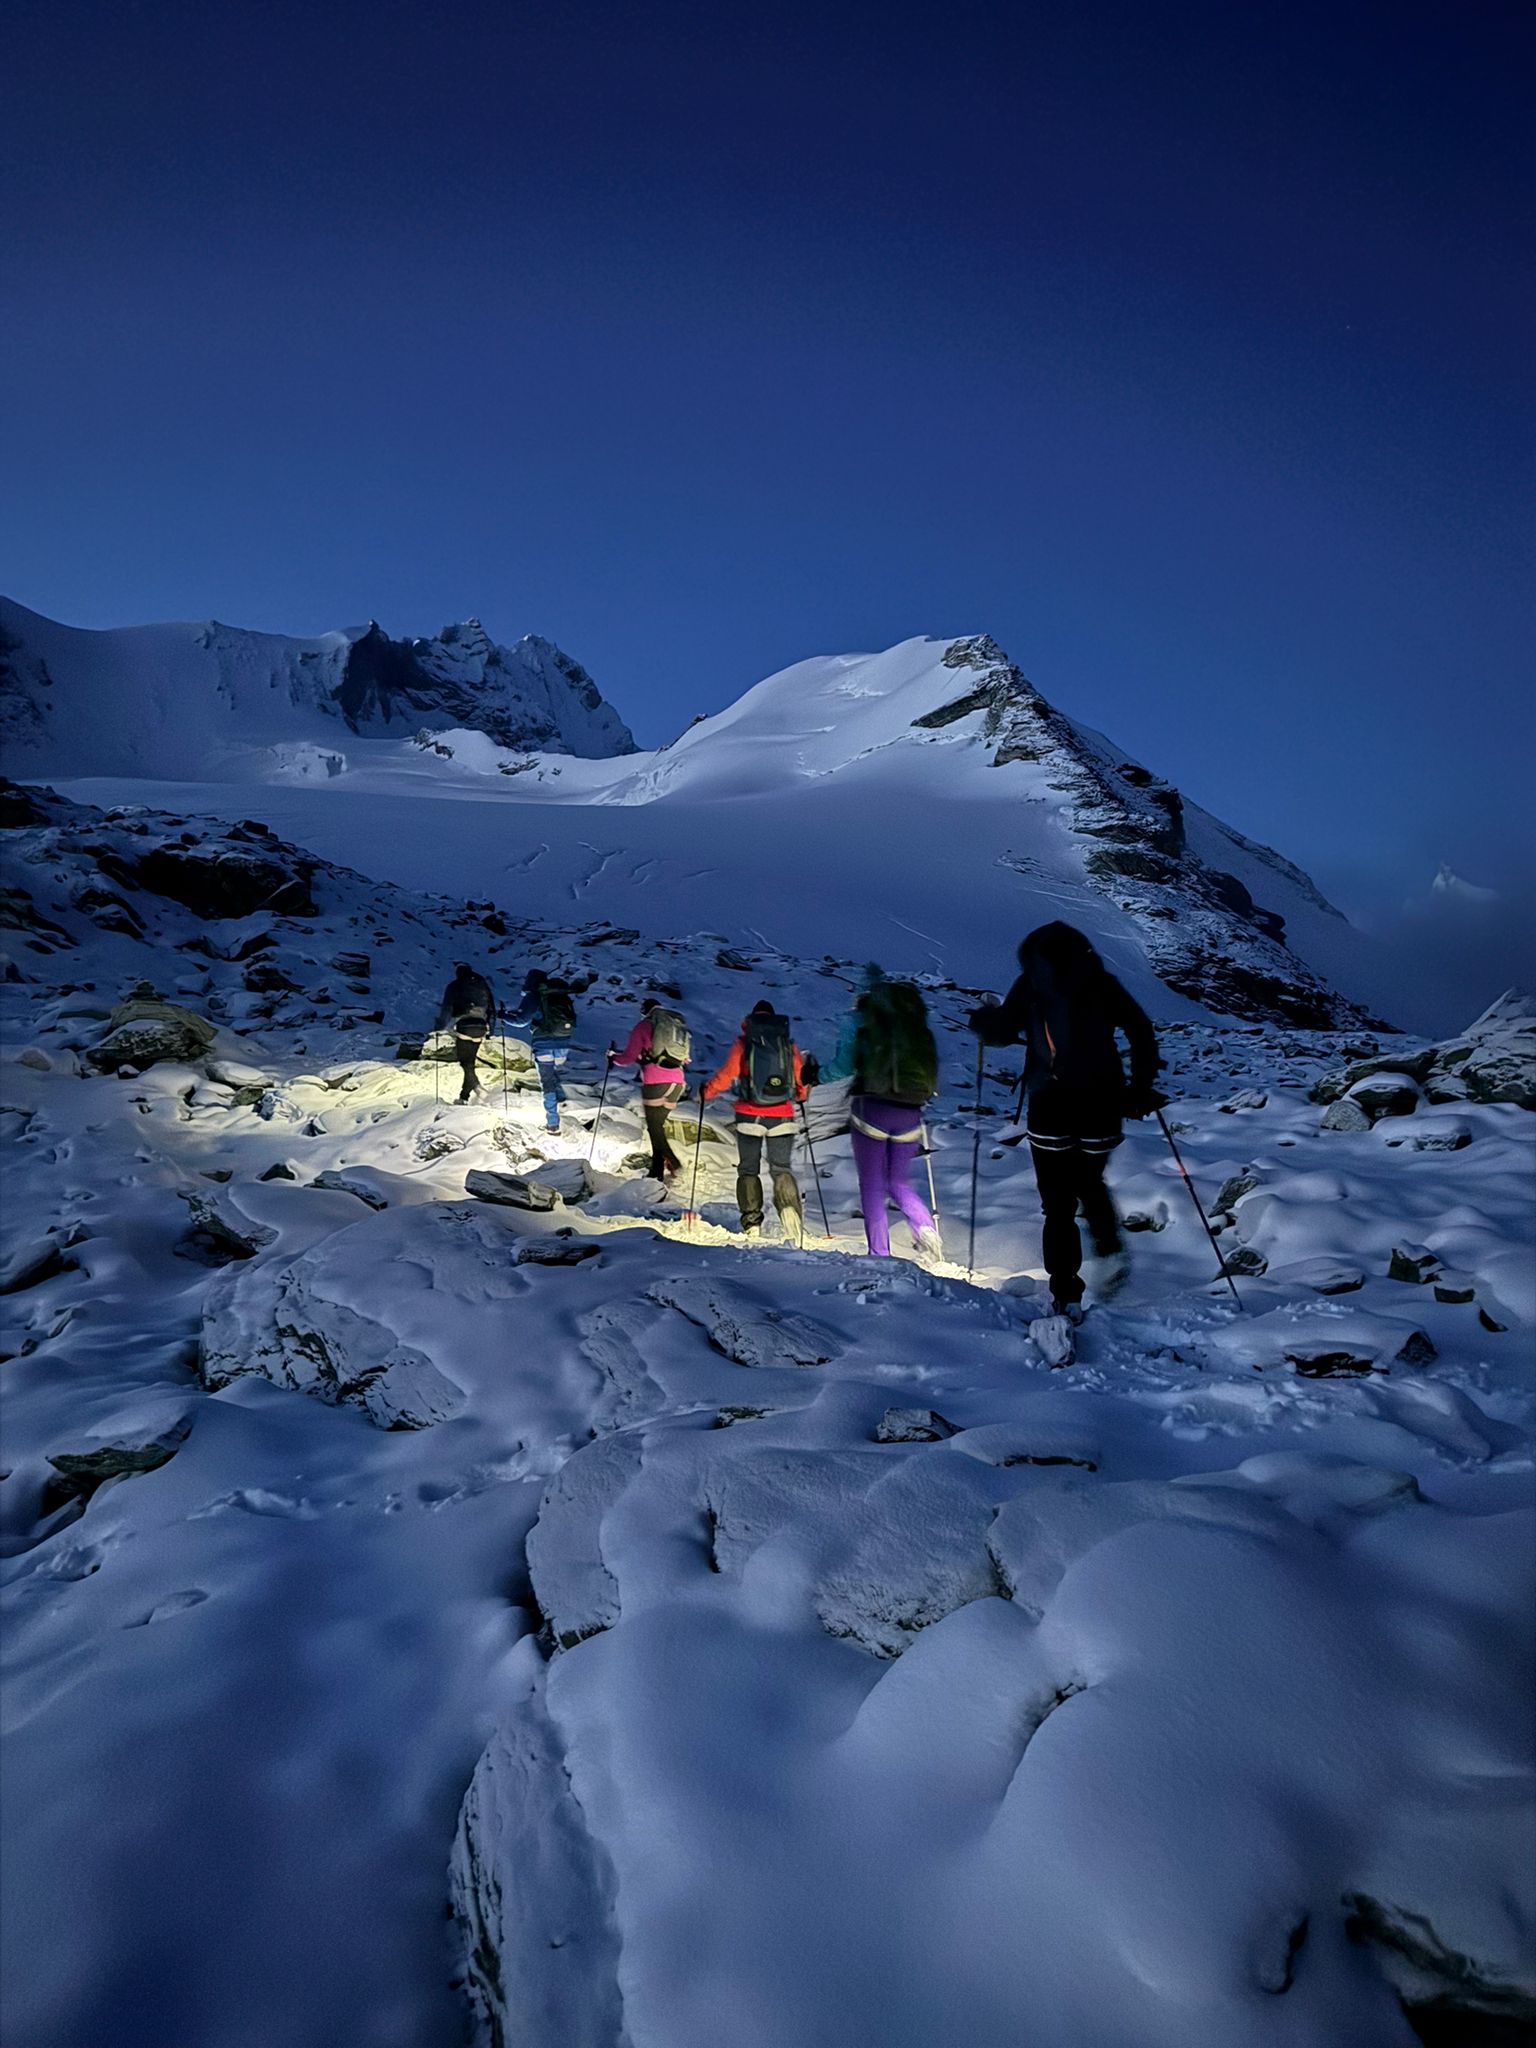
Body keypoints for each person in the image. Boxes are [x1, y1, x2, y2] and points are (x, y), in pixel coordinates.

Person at [970, 921, 1162, 1318]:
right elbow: (1141, 1030)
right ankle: (1109, 1250)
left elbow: (1002, 1031)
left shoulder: (1031, 984)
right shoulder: (1102, 981)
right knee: (1089, 1180)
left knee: (1057, 1205)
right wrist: (1140, 1087)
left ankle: (1066, 1294)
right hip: (1102, 1106)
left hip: (1051, 1106)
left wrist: (982, 1020)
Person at [823, 967, 942, 1260]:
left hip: (871, 1108)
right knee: (898, 1181)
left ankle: (879, 1252)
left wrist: (814, 1074)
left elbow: (843, 1066)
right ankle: (925, 1229)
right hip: (911, 1110)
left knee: (873, 1184)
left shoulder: (860, 1020)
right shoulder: (911, 1021)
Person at [700, 1000, 809, 1242]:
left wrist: (705, 1093)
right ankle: (790, 1214)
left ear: (751, 1019)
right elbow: (800, 1077)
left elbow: (727, 1075)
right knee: (781, 1169)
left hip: (750, 1114)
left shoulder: (744, 1043)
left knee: (749, 1169)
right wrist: (801, 1094)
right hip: (782, 1115)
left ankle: (752, 1223)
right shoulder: (786, 1043)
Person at [609, 997, 692, 1180]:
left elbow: (628, 1057)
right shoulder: (674, 1027)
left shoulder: (645, 1026)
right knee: (657, 1127)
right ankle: (659, 1169)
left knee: (654, 1128)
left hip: (656, 1082)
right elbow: (685, 1059)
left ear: (644, 1011)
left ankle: (670, 1164)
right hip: (677, 1083)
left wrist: (613, 1057)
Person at [506, 968, 578, 1133]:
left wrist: (504, 1016)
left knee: (546, 1081)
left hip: (544, 1043)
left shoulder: (535, 995)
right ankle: (561, 1102)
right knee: (552, 1074)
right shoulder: (558, 995)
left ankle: (552, 1123)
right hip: (563, 1043)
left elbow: (521, 1020)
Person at [435, 962, 497, 1105]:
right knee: (470, 1063)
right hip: (481, 1028)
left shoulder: (455, 985)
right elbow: (492, 1010)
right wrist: (490, 1031)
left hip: (465, 1027)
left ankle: (477, 1088)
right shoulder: (482, 985)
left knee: (466, 1064)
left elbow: (447, 1008)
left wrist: (440, 1027)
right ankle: (464, 1097)